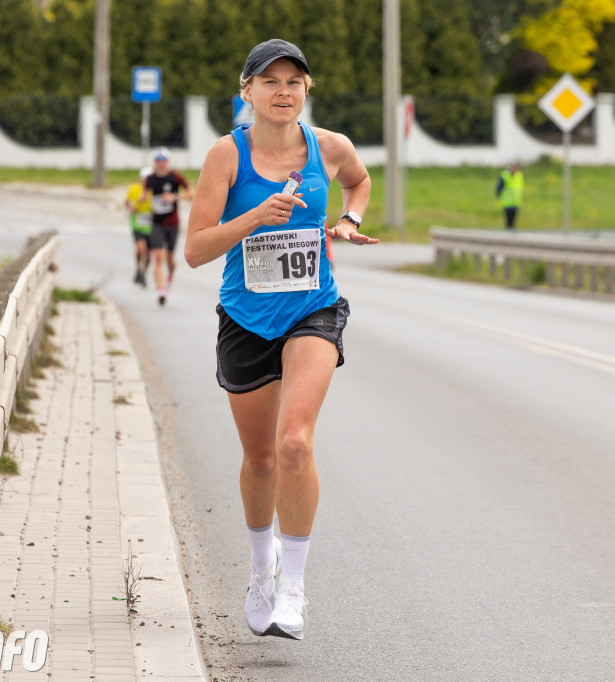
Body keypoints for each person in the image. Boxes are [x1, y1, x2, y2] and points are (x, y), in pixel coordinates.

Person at [184, 38, 377, 641]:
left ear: (306, 91)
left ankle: (293, 587)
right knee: (262, 458)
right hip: (245, 318)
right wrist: (253, 217)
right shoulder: (226, 156)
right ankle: (260, 568)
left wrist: (348, 220)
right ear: (247, 92)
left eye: (294, 81)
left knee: (295, 442)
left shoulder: (328, 147)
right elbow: (194, 251)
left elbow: (360, 180)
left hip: (312, 311)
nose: (283, 91)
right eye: (270, 81)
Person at [141, 146, 193, 306]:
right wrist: (143, 198)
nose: (161, 163)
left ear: (168, 161)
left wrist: (175, 197)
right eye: (158, 160)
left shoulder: (175, 177)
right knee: (158, 256)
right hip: (156, 222)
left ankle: (170, 274)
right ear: (154, 162)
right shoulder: (150, 179)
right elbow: (144, 193)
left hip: (173, 223)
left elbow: (191, 193)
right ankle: (160, 290)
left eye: (163, 160)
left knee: (170, 258)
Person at [126, 166, 154, 286]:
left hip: (151, 225)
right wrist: (131, 208)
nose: (146, 181)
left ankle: (143, 273)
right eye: (144, 178)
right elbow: (126, 202)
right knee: (140, 248)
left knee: (148, 254)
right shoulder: (134, 189)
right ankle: (138, 268)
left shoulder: (155, 189)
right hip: (137, 223)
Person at [496, 162, 524, 229]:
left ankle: (512, 230)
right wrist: (499, 195)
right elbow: (499, 187)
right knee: (508, 218)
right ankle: (508, 230)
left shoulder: (519, 175)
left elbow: (520, 187)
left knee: (514, 218)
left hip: (516, 200)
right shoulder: (505, 175)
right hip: (507, 200)